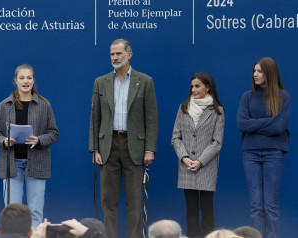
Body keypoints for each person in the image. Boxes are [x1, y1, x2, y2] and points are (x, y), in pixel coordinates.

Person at [89, 39, 158, 238]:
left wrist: (149, 149)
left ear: (129, 54)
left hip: (134, 147)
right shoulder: (100, 82)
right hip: (107, 146)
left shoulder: (145, 81)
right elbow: (95, 118)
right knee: (108, 200)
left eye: (118, 53)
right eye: (112, 54)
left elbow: (152, 119)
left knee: (135, 200)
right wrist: (94, 148)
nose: (115, 58)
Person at [0, 64, 59, 228]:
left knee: (35, 212)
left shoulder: (44, 105)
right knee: (12, 212)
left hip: (36, 164)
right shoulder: (4, 106)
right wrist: (3, 140)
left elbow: (53, 132)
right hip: (11, 164)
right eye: (22, 78)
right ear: (15, 80)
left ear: (33, 80)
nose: (25, 81)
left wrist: (39, 140)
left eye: (29, 78)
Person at [237, 57, 290, 238]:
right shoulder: (247, 97)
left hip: (274, 153)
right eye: (254, 71)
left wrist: (255, 125)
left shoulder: (282, 96)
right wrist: (268, 122)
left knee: (270, 204)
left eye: (259, 71)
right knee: (255, 205)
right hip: (250, 153)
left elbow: (279, 127)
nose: (255, 75)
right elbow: (242, 125)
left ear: (270, 73)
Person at [171, 72, 225, 238]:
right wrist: (185, 158)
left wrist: (201, 161)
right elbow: (175, 137)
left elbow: (217, 142)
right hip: (187, 166)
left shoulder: (218, 111)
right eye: (192, 86)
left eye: (197, 86)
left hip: (207, 167)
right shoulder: (183, 108)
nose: (193, 89)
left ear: (208, 88)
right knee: (191, 211)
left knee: (207, 210)